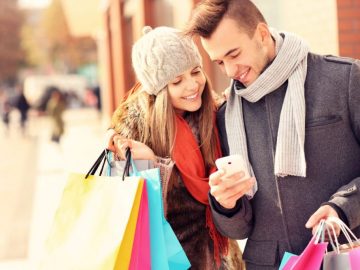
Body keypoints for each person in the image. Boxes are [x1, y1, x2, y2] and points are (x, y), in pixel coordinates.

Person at [185, 0, 360, 269]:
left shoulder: (344, 79)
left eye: (234, 54)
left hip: (344, 256)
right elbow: (239, 230)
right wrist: (225, 204)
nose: (230, 71)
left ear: (262, 34)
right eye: (219, 62)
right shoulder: (224, 116)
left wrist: (343, 207)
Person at [107, 26, 244, 269]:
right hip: (168, 260)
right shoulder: (135, 132)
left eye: (196, 72)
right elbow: (134, 217)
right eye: (177, 81)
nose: (192, 86)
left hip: (219, 256)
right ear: (158, 90)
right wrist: (150, 162)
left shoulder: (217, 113)